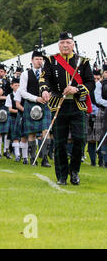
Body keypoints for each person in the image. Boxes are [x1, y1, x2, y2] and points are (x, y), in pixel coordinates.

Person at [40, 31, 95, 185]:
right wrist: (44, 90)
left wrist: (76, 89)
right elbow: (44, 78)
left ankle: (75, 171)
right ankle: (62, 175)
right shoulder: (51, 60)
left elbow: (91, 82)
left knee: (80, 139)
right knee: (59, 142)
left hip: (77, 105)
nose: (65, 45)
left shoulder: (82, 61)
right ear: (59, 44)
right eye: (62, 43)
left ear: (73, 44)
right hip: (59, 104)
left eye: (68, 43)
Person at [18, 50, 52, 167]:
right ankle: (33, 157)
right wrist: (36, 98)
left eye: (41, 59)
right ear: (32, 61)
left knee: (46, 131)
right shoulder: (25, 74)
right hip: (31, 104)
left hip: (45, 104)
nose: (39, 61)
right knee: (31, 133)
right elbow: (22, 91)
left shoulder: (47, 74)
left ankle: (45, 158)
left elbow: (52, 88)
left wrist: (48, 95)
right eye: (37, 59)